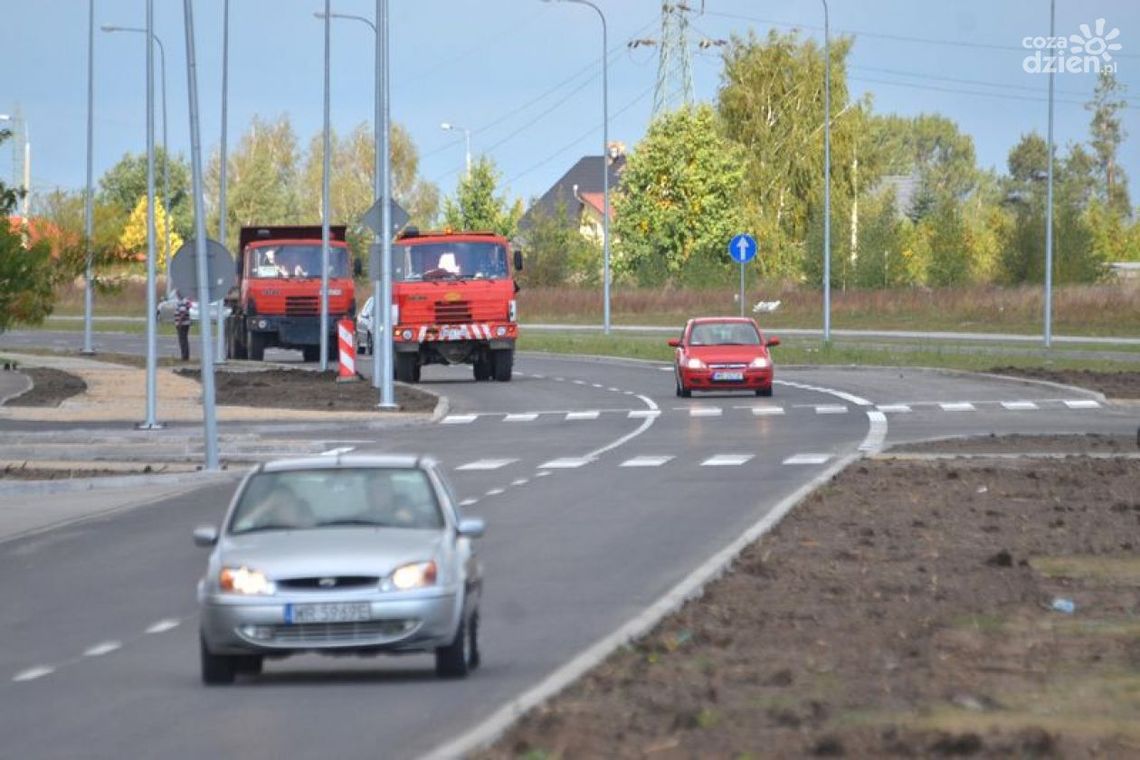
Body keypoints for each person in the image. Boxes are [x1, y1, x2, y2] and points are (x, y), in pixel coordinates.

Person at [173, 290, 192, 361]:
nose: (176, 295)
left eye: (177, 293)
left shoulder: (182, 302)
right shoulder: (185, 301)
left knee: (183, 340)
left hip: (183, 324)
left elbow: (183, 312)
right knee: (184, 340)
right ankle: (185, 356)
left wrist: (179, 322)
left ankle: (184, 357)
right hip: (185, 323)